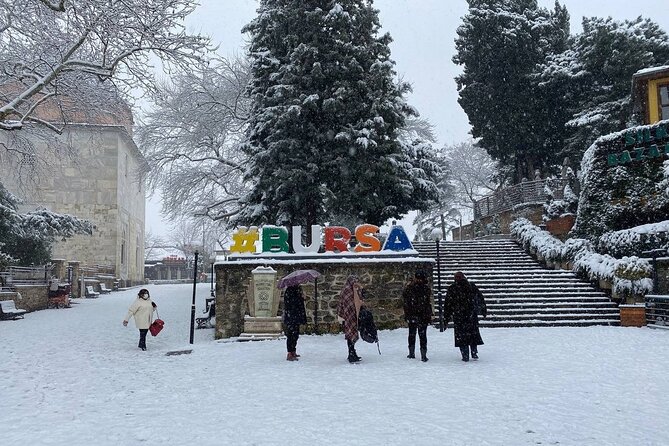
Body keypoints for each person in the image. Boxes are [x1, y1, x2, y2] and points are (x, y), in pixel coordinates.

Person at [444, 271, 486, 362]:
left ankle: (465, 354)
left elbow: (448, 304)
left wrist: (447, 317)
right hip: (469, 315)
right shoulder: (470, 286)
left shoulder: (454, 288)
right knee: (472, 335)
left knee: (462, 336)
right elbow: (480, 298)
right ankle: (473, 352)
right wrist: (483, 309)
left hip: (460, 316)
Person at [402, 269, 433, 362]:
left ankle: (411, 353)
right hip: (423, 314)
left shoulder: (410, 288)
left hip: (412, 314)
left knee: (412, 334)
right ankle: (423, 354)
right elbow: (427, 301)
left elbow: (405, 298)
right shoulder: (426, 288)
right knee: (422, 335)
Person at [337, 275, 364, 363]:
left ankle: (352, 353)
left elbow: (359, 300)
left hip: (353, 315)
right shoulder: (347, 290)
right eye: (354, 281)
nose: (356, 283)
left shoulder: (355, 290)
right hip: (348, 315)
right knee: (350, 335)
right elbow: (346, 303)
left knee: (352, 333)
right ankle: (351, 354)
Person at [282, 284, 307, 361]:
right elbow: (292, 303)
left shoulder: (297, 289)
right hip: (292, 316)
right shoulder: (290, 291)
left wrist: (301, 297)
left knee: (295, 334)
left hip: (296, 315)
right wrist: (301, 298)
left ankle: (293, 351)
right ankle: (290, 352)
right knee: (291, 334)